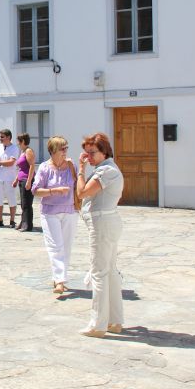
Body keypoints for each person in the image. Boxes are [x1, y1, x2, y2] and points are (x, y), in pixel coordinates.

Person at [76, 132, 125, 338]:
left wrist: (80, 170)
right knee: (110, 272)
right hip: (106, 222)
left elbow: (83, 192)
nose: (88, 157)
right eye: (86, 153)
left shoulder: (106, 171)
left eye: (92, 153)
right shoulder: (106, 169)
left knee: (99, 273)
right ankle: (114, 320)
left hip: (103, 223)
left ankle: (98, 324)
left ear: (104, 151)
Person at [32, 136, 78, 295]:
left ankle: (60, 277)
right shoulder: (44, 168)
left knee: (66, 246)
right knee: (55, 246)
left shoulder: (72, 166)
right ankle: (59, 280)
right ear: (53, 151)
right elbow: (35, 190)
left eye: (66, 147)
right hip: (50, 212)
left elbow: (79, 184)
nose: (65, 151)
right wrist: (54, 191)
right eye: (62, 148)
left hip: (70, 211)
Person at [0, 129, 19, 227]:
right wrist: (1, 162)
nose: (0, 138)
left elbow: (11, 162)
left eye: (2, 137)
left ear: (8, 137)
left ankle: (12, 220)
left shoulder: (14, 148)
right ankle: (0, 220)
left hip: (9, 178)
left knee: (11, 200)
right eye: (0, 136)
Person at [13, 133, 36, 232]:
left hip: (27, 179)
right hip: (22, 179)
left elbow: (32, 166)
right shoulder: (22, 152)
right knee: (23, 203)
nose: (17, 143)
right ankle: (23, 222)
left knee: (27, 203)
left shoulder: (28, 151)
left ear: (22, 141)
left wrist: (29, 181)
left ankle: (28, 225)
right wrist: (16, 180)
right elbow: (21, 168)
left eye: (18, 141)